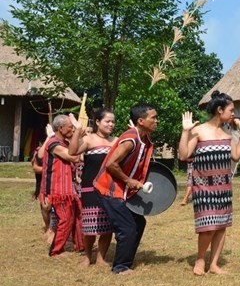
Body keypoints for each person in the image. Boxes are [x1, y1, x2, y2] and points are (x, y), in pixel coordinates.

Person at [178, 91, 240, 276]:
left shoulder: (226, 133)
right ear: (219, 109)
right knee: (208, 227)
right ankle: (200, 260)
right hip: (203, 186)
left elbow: (235, 156)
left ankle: (214, 264)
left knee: (221, 226)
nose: (233, 113)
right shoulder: (199, 130)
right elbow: (183, 155)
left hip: (223, 186)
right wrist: (185, 131)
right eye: (231, 110)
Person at [93, 103, 158, 274]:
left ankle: (126, 261)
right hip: (109, 188)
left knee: (138, 222)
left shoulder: (144, 139)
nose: (157, 121)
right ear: (141, 120)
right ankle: (120, 267)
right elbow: (111, 164)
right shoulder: (131, 139)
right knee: (127, 227)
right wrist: (129, 180)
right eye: (154, 118)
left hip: (124, 190)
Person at [68, 109, 117, 267]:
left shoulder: (116, 141)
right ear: (97, 122)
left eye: (113, 122)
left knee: (108, 225)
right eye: (107, 121)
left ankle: (101, 257)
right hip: (90, 187)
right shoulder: (89, 140)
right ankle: (88, 256)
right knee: (90, 225)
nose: (111, 124)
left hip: (110, 188)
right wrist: (77, 131)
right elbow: (72, 151)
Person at [40, 115, 83, 256]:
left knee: (76, 216)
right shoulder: (53, 143)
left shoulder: (64, 142)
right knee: (65, 219)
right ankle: (56, 250)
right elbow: (73, 156)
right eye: (70, 127)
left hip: (68, 189)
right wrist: (78, 135)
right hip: (58, 190)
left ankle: (79, 245)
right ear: (60, 128)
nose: (72, 129)